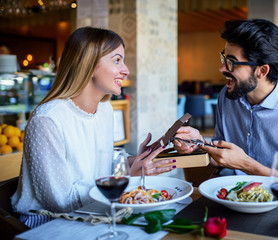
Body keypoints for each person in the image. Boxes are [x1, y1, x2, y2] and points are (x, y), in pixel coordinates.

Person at [11, 27, 176, 228]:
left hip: (95, 212)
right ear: (88, 63)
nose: (126, 70)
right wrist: (127, 176)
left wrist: (134, 161)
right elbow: (60, 202)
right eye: (117, 60)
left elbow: (98, 167)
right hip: (49, 222)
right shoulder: (47, 120)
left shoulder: (105, 110)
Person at [173, 19, 278, 201]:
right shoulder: (228, 96)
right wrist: (199, 143)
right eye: (224, 58)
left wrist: (247, 165)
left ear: (262, 71)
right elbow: (223, 158)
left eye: (231, 62)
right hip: (229, 201)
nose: (221, 68)